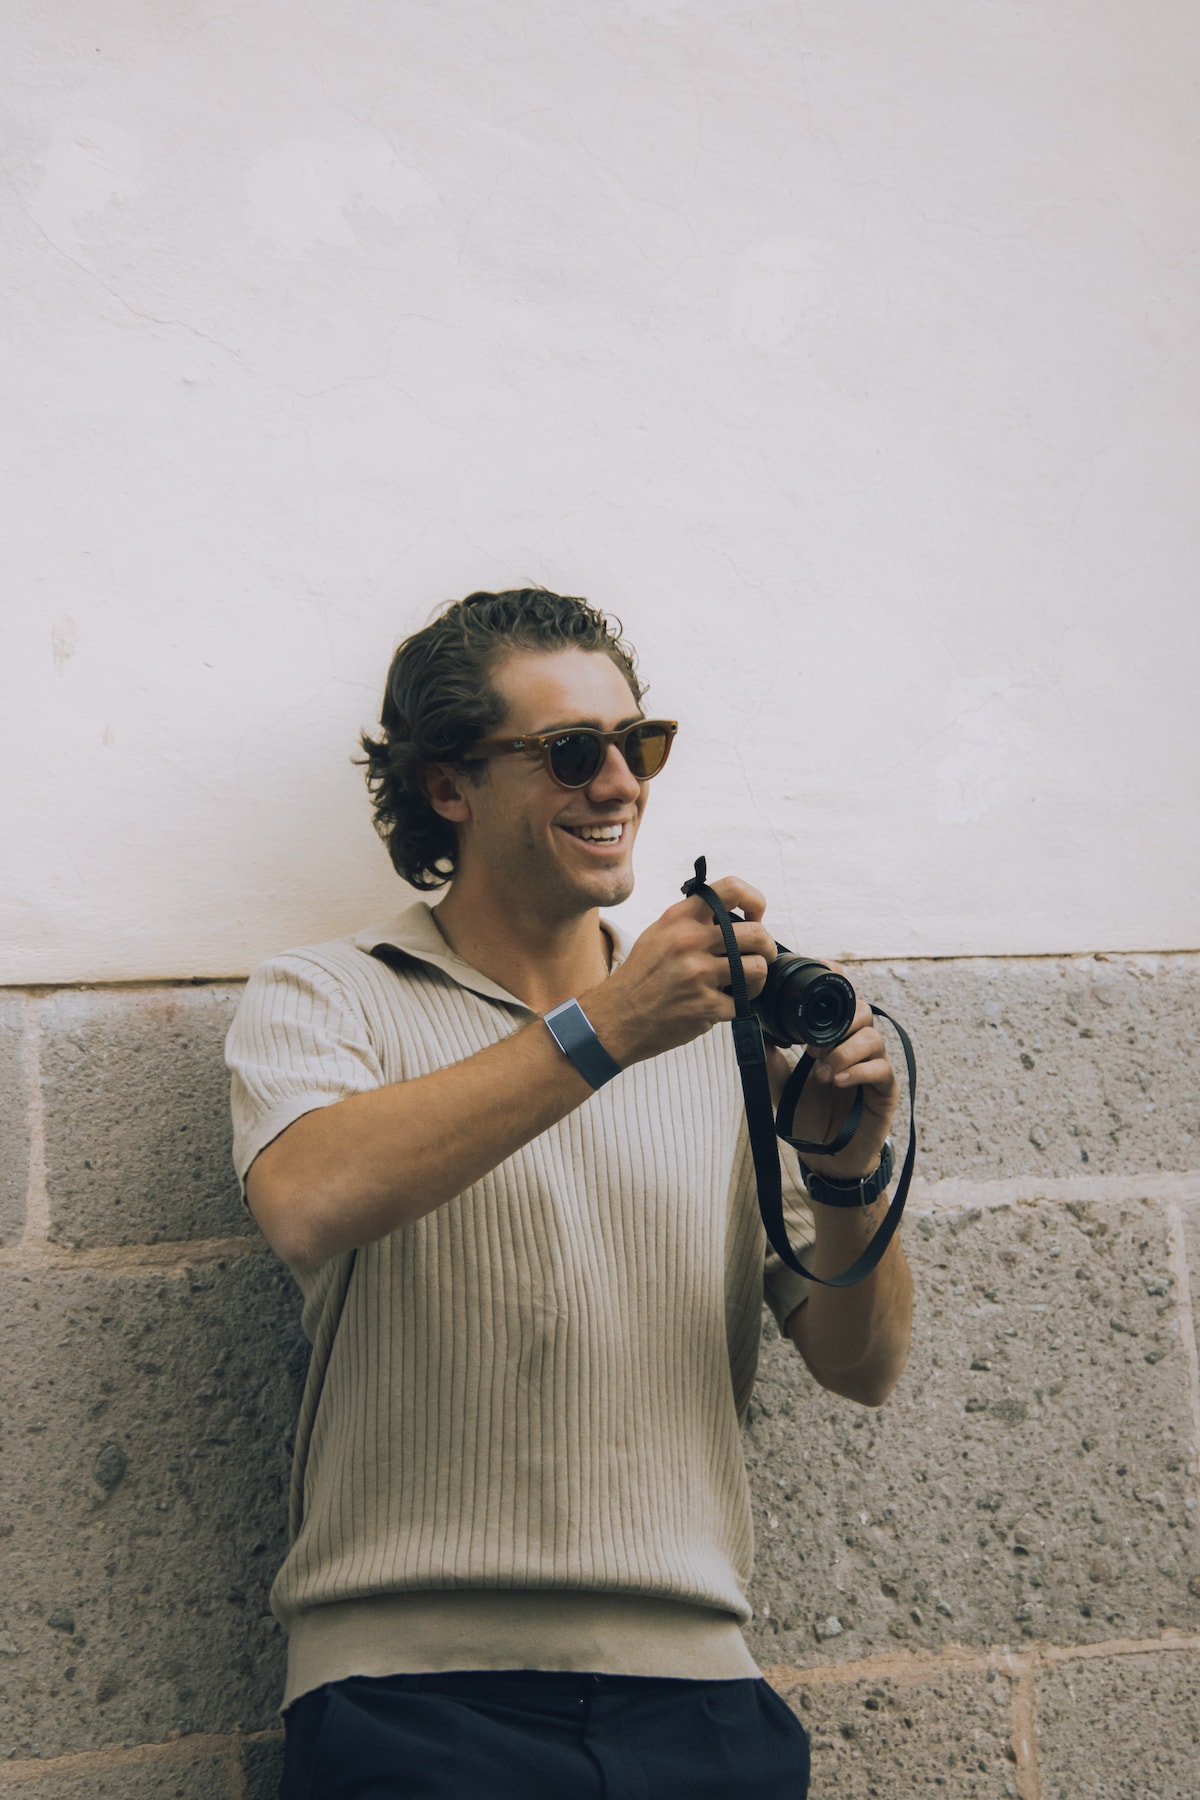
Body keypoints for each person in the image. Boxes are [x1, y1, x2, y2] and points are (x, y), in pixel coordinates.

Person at [226, 587, 912, 1800]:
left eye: (638, 743)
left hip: (701, 1700)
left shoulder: (724, 1034)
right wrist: (613, 1024)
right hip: (412, 1701)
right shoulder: (326, 994)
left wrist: (845, 1170)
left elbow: (863, 1366)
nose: (621, 784)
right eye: (571, 752)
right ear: (448, 785)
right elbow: (308, 1199)